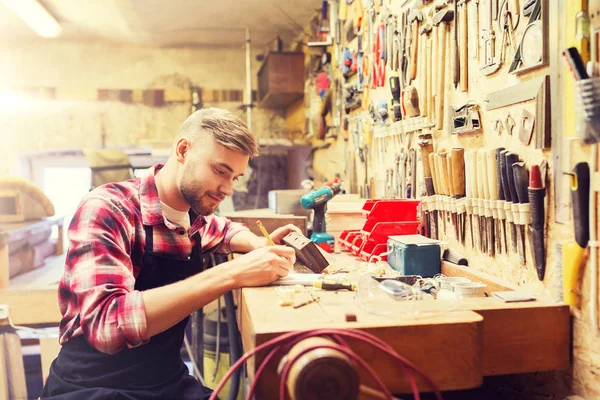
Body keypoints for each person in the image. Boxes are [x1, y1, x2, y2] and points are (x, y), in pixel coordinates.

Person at [41, 108, 299, 399]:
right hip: (94, 386)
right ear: (183, 150)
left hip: (165, 380)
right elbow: (107, 323)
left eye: (235, 177)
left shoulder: (191, 215)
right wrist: (233, 273)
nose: (227, 189)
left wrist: (256, 243)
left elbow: (223, 229)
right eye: (220, 171)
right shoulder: (107, 208)